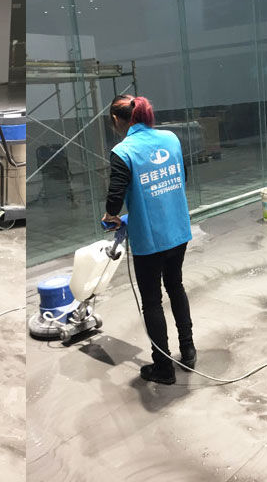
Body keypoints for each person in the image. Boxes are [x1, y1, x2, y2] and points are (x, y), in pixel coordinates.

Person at [102, 95, 195, 385]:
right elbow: (182, 178)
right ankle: (188, 350)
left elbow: (115, 198)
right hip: (178, 231)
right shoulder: (171, 139)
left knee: (152, 302)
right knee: (176, 286)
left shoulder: (123, 151)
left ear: (116, 120)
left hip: (150, 241)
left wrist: (111, 217)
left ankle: (163, 368)